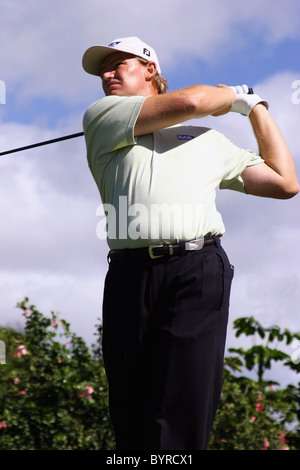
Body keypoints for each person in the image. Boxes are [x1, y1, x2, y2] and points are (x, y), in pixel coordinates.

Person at [82, 37, 299, 450]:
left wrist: (256, 109)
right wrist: (234, 95)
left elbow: (285, 182)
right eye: (103, 70)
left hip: (196, 270)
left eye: (118, 64)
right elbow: (196, 101)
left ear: (150, 70)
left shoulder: (207, 140)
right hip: (129, 274)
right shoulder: (102, 116)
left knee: (182, 408)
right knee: (130, 414)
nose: (107, 74)